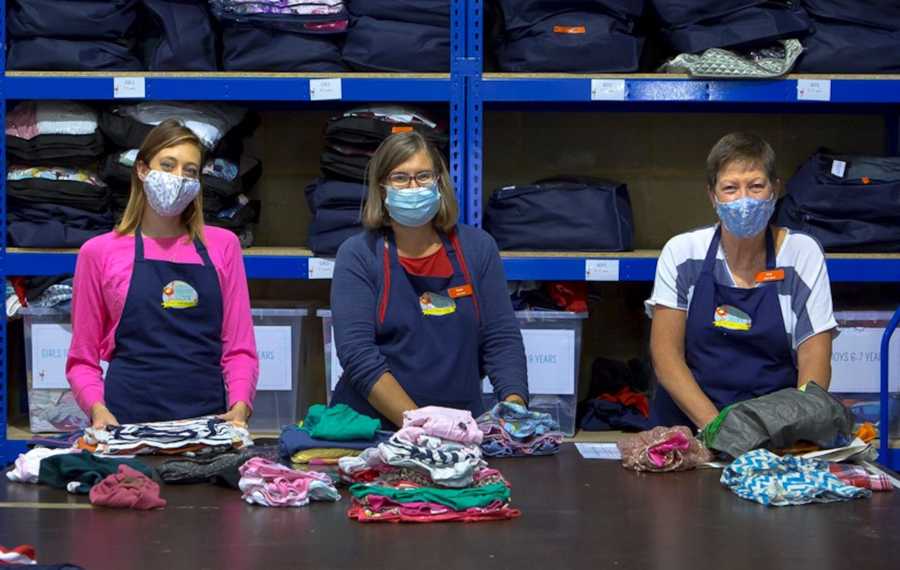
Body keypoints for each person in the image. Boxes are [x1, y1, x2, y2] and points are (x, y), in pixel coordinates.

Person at [66, 120, 258, 429]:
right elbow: (82, 360)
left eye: (190, 171)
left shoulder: (224, 246)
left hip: (206, 423)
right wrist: (98, 410)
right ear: (142, 169)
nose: (178, 178)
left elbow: (239, 348)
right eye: (167, 165)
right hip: (125, 422)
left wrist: (240, 406)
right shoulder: (98, 252)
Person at [330, 131, 528, 428]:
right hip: (373, 431)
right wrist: (421, 426)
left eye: (423, 176)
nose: (413, 186)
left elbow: (501, 338)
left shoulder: (477, 248)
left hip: (461, 425)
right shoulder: (359, 254)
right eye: (400, 178)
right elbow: (358, 356)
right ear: (382, 187)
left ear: (439, 182)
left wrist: (514, 410)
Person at [646, 132, 837, 429]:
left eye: (756, 186)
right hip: (691, 428)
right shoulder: (683, 253)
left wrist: (795, 427)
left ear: (774, 189)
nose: (744, 200)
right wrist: (718, 429)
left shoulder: (801, 254)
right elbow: (666, 357)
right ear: (713, 196)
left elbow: (815, 355)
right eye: (730, 188)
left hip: (777, 428)